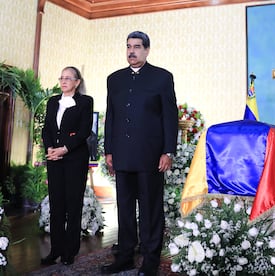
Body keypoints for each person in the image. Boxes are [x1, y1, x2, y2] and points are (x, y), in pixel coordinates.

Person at [101, 31, 178, 275]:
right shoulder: (114, 79)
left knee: (150, 210)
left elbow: (169, 116)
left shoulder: (162, 78)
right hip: (122, 156)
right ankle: (124, 256)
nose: (131, 51)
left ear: (147, 50)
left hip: (150, 156)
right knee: (123, 209)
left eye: (136, 47)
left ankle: (150, 260)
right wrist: (109, 151)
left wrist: (168, 151)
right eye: (128, 46)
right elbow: (110, 116)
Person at [41, 66, 94, 266]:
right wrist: (50, 150)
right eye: (61, 78)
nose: (63, 81)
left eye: (68, 78)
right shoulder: (53, 101)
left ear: (77, 82)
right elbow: (47, 129)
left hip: (74, 160)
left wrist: (64, 148)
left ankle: (69, 251)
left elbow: (84, 132)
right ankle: (55, 250)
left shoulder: (85, 102)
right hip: (54, 159)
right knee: (56, 205)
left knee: (73, 205)